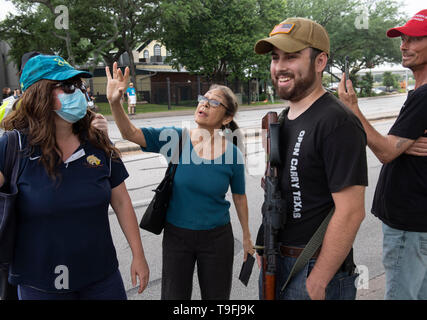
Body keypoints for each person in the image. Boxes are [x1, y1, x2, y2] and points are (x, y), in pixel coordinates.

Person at [0, 54, 149, 300]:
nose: (79, 93)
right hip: (39, 284)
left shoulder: (98, 142)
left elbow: (122, 202)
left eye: (79, 86)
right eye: (67, 86)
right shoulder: (13, 147)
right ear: (39, 94)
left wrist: (138, 255)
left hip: (102, 278)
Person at [106, 62, 255, 300]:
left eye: (214, 102)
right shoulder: (175, 138)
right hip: (177, 236)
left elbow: (239, 196)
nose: (204, 103)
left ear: (227, 118)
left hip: (218, 238)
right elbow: (130, 134)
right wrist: (115, 103)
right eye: (203, 98)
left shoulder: (232, 154)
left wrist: (247, 237)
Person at [253, 17, 368, 300]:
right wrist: (263, 246)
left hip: (314, 269)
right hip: (275, 263)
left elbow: (351, 211)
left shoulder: (336, 122)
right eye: (275, 57)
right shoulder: (281, 120)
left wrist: (319, 279)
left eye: (291, 57)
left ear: (320, 62)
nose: (280, 67)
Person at [338, 9, 427, 300]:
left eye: (414, 39)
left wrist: (353, 110)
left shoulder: (424, 96)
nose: (404, 45)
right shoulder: (418, 94)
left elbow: (386, 152)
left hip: (409, 227)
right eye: (403, 38)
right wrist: (401, 144)